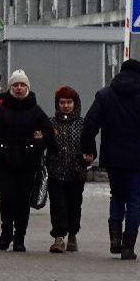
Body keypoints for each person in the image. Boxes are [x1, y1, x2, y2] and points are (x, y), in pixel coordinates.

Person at [80, 58, 140, 261]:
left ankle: (114, 240)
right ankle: (128, 246)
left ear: (120, 72)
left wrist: (89, 150)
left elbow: (89, 125)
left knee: (117, 196)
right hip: (137, 159)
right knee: (135, 202)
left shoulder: (104, 96)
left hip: (112, 157)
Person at [0, 70, 53, 253]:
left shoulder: (36, 111)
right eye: (16, 85)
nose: (19, 88)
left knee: (22, 201)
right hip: (5, 163)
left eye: (22, 85)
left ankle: (19, 238)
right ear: (11, 87)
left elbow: (49, 134)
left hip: (28, 165)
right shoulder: (0, 109)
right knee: (6, 198)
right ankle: (5, 234)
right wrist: (0, 148)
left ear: (28, 88)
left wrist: (36, 144)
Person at [45, 85, 88, 254]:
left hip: (76, 172)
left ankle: (72, 235)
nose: (66, 106)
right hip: (56, 171)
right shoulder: (51, 123)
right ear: (57, 104)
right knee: (57, 205)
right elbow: (44, 143)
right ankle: (58, 237)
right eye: (62, 102)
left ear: (75, 103)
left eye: (69, 102)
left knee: (74, 205)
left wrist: (88, 156)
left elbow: (88, 144)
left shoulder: (82, 123)